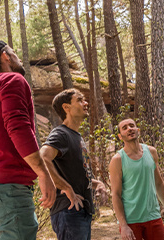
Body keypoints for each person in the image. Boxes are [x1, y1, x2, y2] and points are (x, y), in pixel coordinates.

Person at [0, 39, 57, 240]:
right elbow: (19, 129)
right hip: (9, 191)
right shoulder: (11, 80)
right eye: (14, 52)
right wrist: (43, 174)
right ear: (5, 56)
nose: (17, 56)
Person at [40, 89, 108, 240]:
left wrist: (97, 183)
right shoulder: (61, 134)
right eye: (80, 100)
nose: (86, 103)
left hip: (80, 211)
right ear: (66, 107)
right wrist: (66, 187)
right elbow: (43, 157)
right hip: (69, 209)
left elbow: (75, 174)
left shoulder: (76, 136)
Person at [108, 118, 164, 240]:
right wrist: (123, 225)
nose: (129, 129)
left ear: (138, 130)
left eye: (131, 126)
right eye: (125, 128)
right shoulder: (117, 160)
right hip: (131, 220)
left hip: (153, 216)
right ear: (120, 136)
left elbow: (159, 183)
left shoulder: (151, 152)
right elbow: (116, 195)